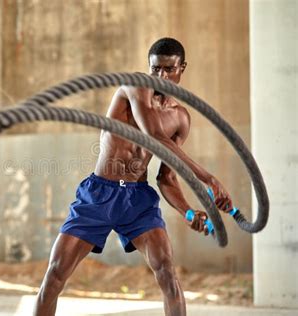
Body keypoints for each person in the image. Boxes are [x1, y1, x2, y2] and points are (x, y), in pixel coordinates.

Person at [33, 37, 233, 316]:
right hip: (100, 194)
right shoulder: (135, 85)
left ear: (182, 68)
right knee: (55, 275)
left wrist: (188, 212)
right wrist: (207, 179)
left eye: (169, 69)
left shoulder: (180, 118)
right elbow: (154, 135)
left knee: (167, 274)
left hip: (138, 198)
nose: (161, 76)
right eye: (156, 69)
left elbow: (167, 177)